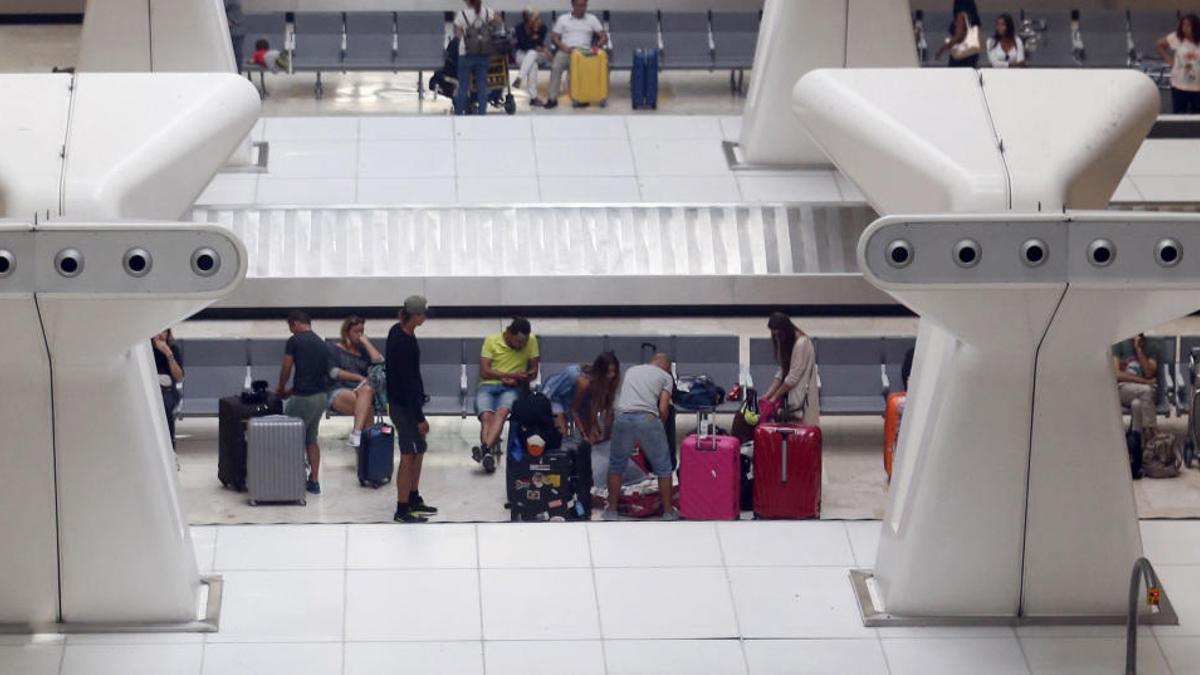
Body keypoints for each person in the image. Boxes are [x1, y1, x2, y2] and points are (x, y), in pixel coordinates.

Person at [605, 353, 678, 521]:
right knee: (663, 467)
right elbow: (664, 409)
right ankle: (668, 512)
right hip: (648, 418)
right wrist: (658, 426)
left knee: (616, 465)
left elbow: (619, 397)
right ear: (667, 366)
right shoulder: (666, 377)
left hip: (623, 417)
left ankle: (612, 511)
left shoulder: (632, 370)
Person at [386, 296, 438, 523]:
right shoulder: (403, 342)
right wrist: (419, 418)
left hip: (407, 403)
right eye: (423, 314)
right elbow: (407, 384)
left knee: (419, 450)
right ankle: (402, 508)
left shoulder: (397, 331)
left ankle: (414, 497)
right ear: (415, 315)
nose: (425, 317)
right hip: (405, 408)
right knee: (408, 454)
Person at [276, 310, 330, 495]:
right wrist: (291, 390)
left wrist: (281, 388)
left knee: (287, 436)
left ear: (296, 323)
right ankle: (314, 480)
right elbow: (315, 375)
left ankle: (289, 479)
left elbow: (287, 367)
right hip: (321, 397)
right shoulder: (322, 343)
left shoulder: (295, 341)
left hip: (302, 398)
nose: (291, 331)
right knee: (311, 439)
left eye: (291, 327)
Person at [476, 318, 540, 456]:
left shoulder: (531, 341)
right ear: (509, 334)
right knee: (486, 416)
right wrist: (508, 376)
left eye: (524, 342)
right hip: (488, 385)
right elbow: (484, 371)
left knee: (502, 413)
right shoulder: (491, 340)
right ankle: (486, 451)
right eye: (518, 341)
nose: (522, 345)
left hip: (512, 388)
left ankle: (485, 451)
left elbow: (534, 370)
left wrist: (525, 376)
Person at [328, 316, 384, 448]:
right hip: (339, 390)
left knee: (367, 392)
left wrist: (367, 343)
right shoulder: (333, 348)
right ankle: (368, 455)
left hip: (362, 391)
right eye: (356, 332)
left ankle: (357, 435)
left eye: (362, 331)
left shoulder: (363, 351)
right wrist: (358, 378)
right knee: (367, 409)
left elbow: (380, 361)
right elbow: (334, 372)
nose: (359, 335)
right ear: (346, 332)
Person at [542, 351, 620, 441]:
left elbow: (593, 406)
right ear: (600, 372)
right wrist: (584, 435)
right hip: (555, 396)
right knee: (561, 434)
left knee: (595, 437)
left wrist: (596, 426)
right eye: (608, 372)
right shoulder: (583, 382)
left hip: (574, 397)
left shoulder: (611, 381)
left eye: (614, 371)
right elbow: (574, 410)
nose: (612, 375)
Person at [545, 0, 608, 109]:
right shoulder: (563, 19)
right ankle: (552, 98)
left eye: (584, 6)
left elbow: (604, 36)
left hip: (584, 52)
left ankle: (578, 99)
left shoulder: (592, 19)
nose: (582, 8)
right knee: (556, 67)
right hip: (566, 49)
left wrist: (597, 45)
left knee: (576, 72)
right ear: (573, 5)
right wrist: (562, 46)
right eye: (579, 5)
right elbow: (554, 37)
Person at [761, 313, 820, 425]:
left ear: (785, 331)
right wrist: (767, 396)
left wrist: (774, 397)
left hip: (801, 398)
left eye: (778, 335)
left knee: (802, 433)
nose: (777, 338)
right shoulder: (787, 342)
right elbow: (781, 372)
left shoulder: (802, 344)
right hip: (789, 396)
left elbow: (793, 378)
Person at [453, 0, 501, 115]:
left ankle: (459, 113)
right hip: (483, 52)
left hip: (465, 53)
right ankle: (482, 113)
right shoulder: (487, 11)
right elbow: (498, 22)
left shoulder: (461, 13)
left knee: (463, 86)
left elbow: (458, 34)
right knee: (482, 86)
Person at [1114, 335, 1160, 438]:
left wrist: (1138, 350)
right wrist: (1144, 382)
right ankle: (1153, 433)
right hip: (1124, 389)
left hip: (1144, 394)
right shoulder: (1118, 345)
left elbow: (1149, 373)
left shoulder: (1152, 346)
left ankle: (1137, 442)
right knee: (1146, 391)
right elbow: (1117, 374)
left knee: (1137, 404)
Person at [1157, 14, 1200, 114]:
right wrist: (1169, 59)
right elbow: (1159, 45)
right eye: (1183, 25)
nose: (1185, 28)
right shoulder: (1177, 37)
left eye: (1188, 25)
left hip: (1198, 85)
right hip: (1179, 84)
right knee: (1179, 113)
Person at [151, 329, 184, 450]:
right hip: (152, 388)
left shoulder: (172, 349)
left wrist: (168, 354)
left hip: (168, 391)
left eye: (164, 332)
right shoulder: (147, 351)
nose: (160, 335)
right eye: (158, 331)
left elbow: (179, 377)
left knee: (164, 405)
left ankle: (170, 444)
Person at [513, 7, 551, 106]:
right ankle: (533, 98)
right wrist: (534, 41)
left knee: (532, 53)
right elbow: (523, 45)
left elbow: (538, 45)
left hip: (539, 55)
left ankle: (519, 78)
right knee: (532, 65)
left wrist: (534, 34)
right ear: (528, 19)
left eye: (537, 17)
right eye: (533, 17)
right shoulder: (519, 28)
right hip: (522, 54)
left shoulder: (542, 28)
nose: (537, 20)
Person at [935, 0, 982, 68]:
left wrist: (941, 50)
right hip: (972, 54)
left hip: (960, 54)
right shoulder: (973, 17)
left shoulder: (960, 14)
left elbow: (958, 35)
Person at [225, 0, 245, 73]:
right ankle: (237, 73)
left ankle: (237, 73)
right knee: (236, 55)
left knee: (236, 55)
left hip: (235, 31)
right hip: (235, 31)